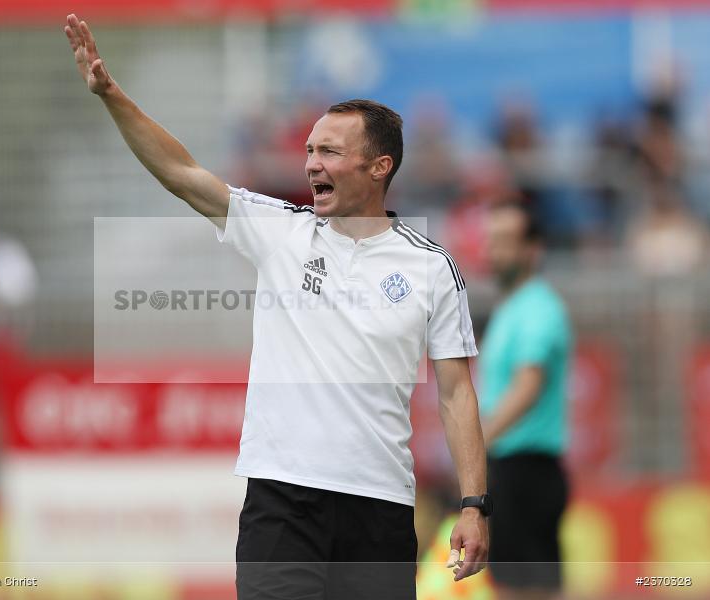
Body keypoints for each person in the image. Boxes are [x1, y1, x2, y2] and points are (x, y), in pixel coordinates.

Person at [64, 14, 489, 599]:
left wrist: (473, 504)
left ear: (379, 166)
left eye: (330, 152)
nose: (311, 162)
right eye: (310, 150)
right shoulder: (280, 231)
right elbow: (182, 173)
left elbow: (456, 391)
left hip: (381, 506)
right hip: (281, 501)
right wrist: (112, 96)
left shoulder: (431, 266)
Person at [479, 202, 573, 600]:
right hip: (513, 468)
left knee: (525, 590)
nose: (495, 252)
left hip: (526, 470)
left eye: (506, 242)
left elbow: (528, 384)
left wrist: (476, 443)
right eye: (493, 241)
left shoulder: (537, 308)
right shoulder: (513, 307)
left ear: (533, 250)